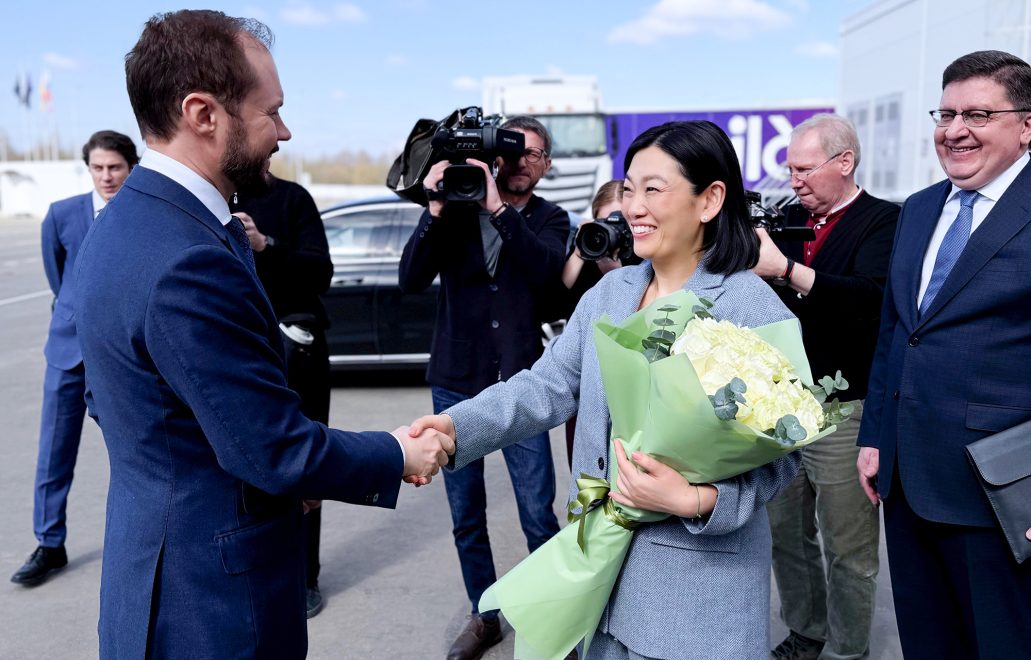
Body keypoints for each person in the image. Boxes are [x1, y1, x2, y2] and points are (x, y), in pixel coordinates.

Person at [72, 11, 450, 659]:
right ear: (202, 113)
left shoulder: (131, 223)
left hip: (158, 571)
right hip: (211, 604)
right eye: (269, 111)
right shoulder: (186, 255)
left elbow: (122, 402)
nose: (284, 130)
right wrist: (395, 453)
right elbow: (273, 452)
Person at [412, 120, 803, 659]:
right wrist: (457, 429)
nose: (633, 206)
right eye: (629, 188)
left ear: (710, 199)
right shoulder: (613, 291)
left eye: (653, 190)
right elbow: (547, 385)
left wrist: (697, 499)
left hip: (695, 596)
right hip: (599, 576)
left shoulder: (748, 308)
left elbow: (785, 452)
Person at [857, 49, 1031, 658]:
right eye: (947, 112)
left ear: (1026, 126)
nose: (955, 130)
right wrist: (875, 437)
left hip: (1005, 495)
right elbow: (896, 332)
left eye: (979, 114)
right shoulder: (921, 208)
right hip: (908, 484)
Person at [398, 115, 569, 659]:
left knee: (538, 511)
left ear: (545, 166)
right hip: (456, 380)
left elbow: (547, 274)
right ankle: (485, 613)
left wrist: (498, 210)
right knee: (466, 516)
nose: (525, 163)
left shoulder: (551, 218)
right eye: (516, 151)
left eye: (537, 155)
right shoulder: (456, 207)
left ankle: (551, 614)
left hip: (522, 382)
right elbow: (410, 278)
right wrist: (436, 210)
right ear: (497, 155)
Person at [753, 114, 899, 660]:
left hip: (845, 408)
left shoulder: (884, 221)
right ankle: (806, 632)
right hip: (780, 407)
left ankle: (847, 651)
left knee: (848, 548)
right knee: (787, 538)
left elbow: (871, 301)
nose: (793, 181)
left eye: (804, 168)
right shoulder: (783, 219)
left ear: (845, 162)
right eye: (789, 169)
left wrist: (785, 268)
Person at [11, 130, 139, 588]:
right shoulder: (61, 214)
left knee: (138, 450)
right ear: (88, 168)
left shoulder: (143, 214)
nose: (106, 176)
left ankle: (144, 544)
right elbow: (57, 275)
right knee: (53, 451)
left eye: (115, 167)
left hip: (124, 354)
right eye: (98, 168)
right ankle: (49, 543)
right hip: (67, 351)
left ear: (131, 167)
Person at [230, 175, 333, 618]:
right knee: (238, 466)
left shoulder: (292, 198)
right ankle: (253, 569)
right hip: (233, 350)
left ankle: (305, 575)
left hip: (298, 348)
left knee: (305, 462)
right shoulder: (207, 200)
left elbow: (321, 272)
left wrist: (264, 243)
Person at [555, 180, 627, 468]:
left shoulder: (642, 257)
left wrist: (617, 273)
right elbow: (555, 302)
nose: (614, 229)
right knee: (583, 465)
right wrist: (581, 247)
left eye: (621, 222)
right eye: (605, 220)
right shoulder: (587, 253)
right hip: (585, 383)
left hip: (625, 381)